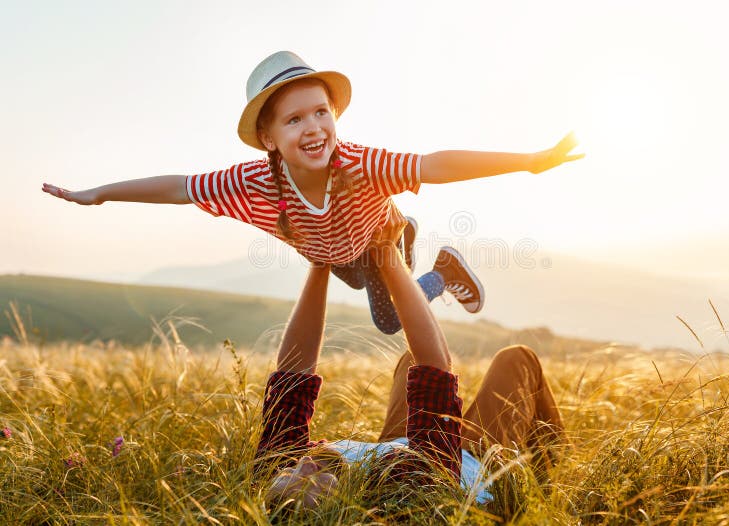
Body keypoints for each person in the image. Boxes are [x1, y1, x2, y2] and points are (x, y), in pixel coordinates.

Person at [42, 51, 583, 334]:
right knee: (346, 271)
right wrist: (102, 194)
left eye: (322, 111)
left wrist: (529, 162)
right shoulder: (250, 182)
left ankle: (444, 266)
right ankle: (407, 235)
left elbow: (434, 164)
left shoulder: (359, 163)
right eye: (295, 118)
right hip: (332, 252)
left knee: (390, 318)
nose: (314, 127)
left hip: (372, 238)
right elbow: (179, 188)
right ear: (268, 138)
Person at [256, 243, 565, 509]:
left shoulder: (279, 465)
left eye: (290, 476)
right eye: (309, 482)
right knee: (516, 359)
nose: (303, 465)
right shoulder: (406, 488)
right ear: (335, 510)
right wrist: (387, 250)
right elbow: (436, 368)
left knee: (409, 360)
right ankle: (555, 481)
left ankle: (433, 274)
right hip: (474, 461)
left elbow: (294, 373)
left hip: (398, 443)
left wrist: (319, 262)